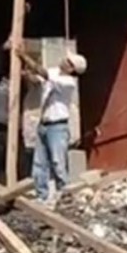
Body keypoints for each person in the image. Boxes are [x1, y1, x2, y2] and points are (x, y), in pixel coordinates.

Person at [18, 46, 88, 204]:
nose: (63, 60)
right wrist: (25, 74)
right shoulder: (55, 72)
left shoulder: (68, 82)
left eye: (67, 61)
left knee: (58, 162)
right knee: (39, 162)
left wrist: (24, 55)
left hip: (57, 126)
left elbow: (42, 72)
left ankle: (64, 194)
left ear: (71, 68)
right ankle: (41, 195)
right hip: (44, 124)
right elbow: (38, 79)